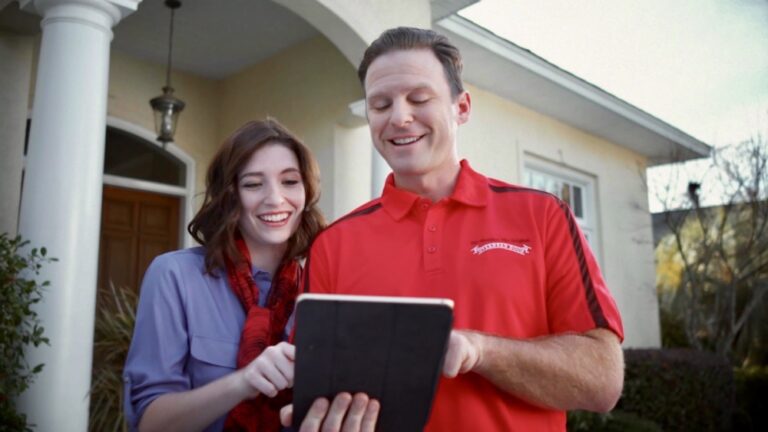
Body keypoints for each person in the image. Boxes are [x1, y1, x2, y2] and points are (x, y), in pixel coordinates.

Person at [290, 27, 625, 431]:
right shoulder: (332, 245)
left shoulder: (543, 216)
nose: (399, 117)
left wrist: (480, 350)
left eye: (419, 98)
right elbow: (313, 390)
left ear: (461, 107)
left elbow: (603, 381)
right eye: (380, 104)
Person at [123, 119, 328, 432]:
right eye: (252, 184)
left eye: (290, 181)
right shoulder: (174, 276)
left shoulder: (321, 290)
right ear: (229, 195)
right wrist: (243, 382)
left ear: (306, 191)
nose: (275, 198)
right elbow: (150, 423)